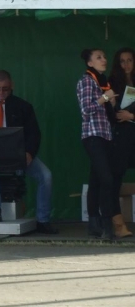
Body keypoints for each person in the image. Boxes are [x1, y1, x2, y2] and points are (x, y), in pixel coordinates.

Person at [0, 70, 58, 234]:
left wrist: (30, 152)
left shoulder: (23, 107)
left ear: (12, 86)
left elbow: (34, 133)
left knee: (46, 176)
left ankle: (43, 220)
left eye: (5, 89)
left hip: (18, 153)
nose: (1, 93)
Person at [77, 48, 119, 241]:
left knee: (95, 179)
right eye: (99, 57)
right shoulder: (87, 81)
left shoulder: (104, 82)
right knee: (107, 179)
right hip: (93, 135)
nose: (104, 60)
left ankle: (94, 224)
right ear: (90, 63)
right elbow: (86, 109)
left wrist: (110, 102)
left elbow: (104, 111)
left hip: (105, 135)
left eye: (104, 56)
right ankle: (107, 225)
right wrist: (105, 97)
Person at [108, 47, 135, 238]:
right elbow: (115, 113)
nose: (126, 64)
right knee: (115, 177)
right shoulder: (113, 83)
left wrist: (132, 115)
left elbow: (128, 114)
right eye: (122, 61)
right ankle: (118, 224)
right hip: (122, 136)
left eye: (129, 60)